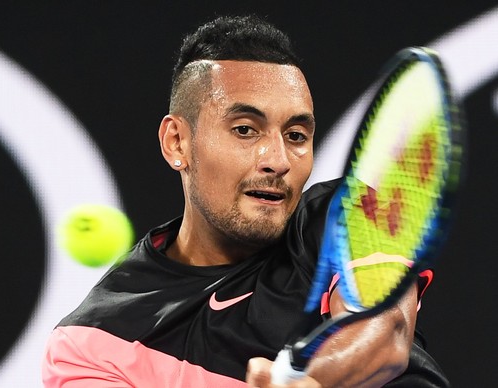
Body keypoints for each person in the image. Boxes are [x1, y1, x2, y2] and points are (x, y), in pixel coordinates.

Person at [42, 14, 449, 387]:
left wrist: (312, 381)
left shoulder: (348, 216)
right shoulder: (90, 344)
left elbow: (383, 334)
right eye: (245, 130)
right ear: (177, 142)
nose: (277, 161)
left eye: (295, 136)